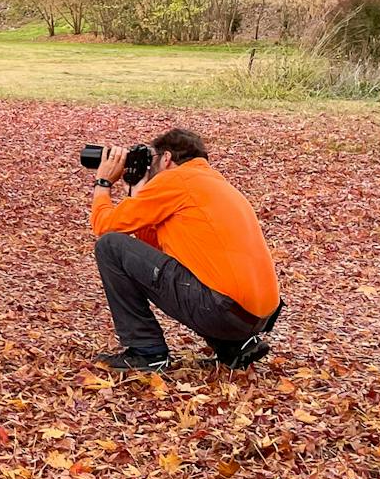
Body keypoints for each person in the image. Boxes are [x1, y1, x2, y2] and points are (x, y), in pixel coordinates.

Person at [89, 128, 282, 372]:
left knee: (110, 246)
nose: (150, 169)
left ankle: (146, 351)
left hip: (221, 311)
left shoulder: (175, 180)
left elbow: (104, 227)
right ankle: (235, 346)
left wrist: (103, 182)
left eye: (152, 161)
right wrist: (139, 192)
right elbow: (154, 256)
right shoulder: (212, 183)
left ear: (166, 158)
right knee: (204, 275)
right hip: (254, 316)